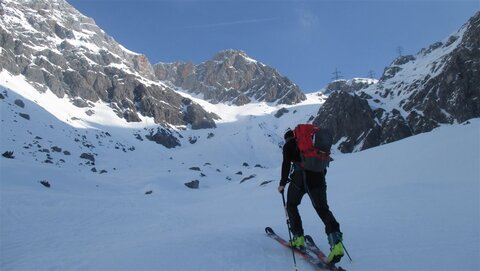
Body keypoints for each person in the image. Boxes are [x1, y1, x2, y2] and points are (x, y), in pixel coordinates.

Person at [278, 129, 344, 264]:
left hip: (300, 179)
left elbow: (286, 164)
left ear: (287, 138)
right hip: (318, 178)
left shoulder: (288, 145)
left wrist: (282, 184)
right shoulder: (312, 144)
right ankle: (336, 243)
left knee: (291, 205)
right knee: (322, 209)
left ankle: (298, 237)